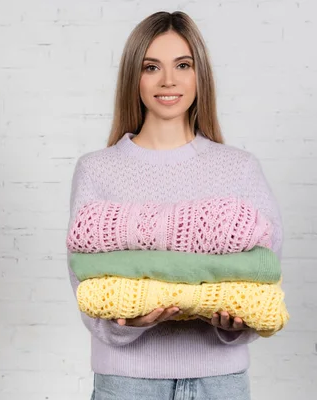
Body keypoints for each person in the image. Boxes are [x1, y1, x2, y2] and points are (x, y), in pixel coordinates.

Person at [66, 11, 284, 400]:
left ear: (200, 75)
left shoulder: (239, 167)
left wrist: (235, 324)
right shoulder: (97, 169)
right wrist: (129, 320)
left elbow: (265, 272)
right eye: (152, 67)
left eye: (183, 65)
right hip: (126, 383)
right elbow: (85, 284)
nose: (169, 80)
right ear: (134, 76)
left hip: (220, 383)